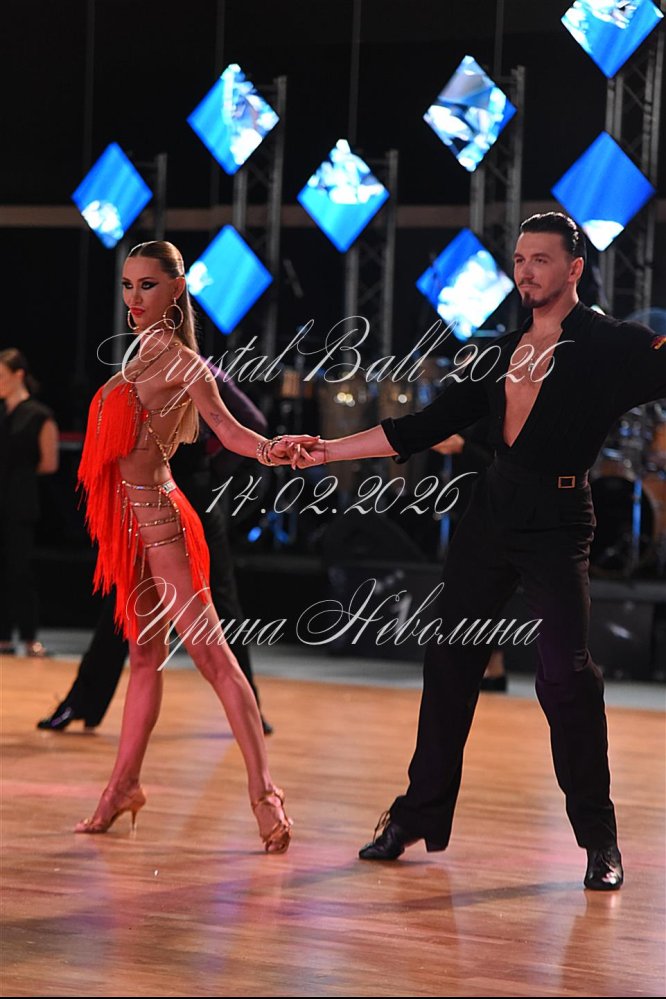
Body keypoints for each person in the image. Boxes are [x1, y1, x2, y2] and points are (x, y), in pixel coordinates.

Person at [292, 213, 666, 889]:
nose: (526, 271)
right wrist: (324, 451)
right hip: (492, 514)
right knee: (450, 663)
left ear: (574, 268)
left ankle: (600, 842)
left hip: (558, 521)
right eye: (519, 259)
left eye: (541, 260)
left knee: (566, 678)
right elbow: (419, 427)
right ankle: (415, 815)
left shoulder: (611, 343)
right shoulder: (498, 349)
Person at [73, 239, 314, 852]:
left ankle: (265, 794)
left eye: (147, 285)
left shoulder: (185, 365)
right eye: (127, 285)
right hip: (128, 527)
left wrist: (273, 449)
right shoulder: (140, 352)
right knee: (143, 658)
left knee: (213, 659)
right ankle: (121, 787)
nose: (133, 298)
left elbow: (231, 431)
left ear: (177, 290)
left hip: (162, 525)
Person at [37, 361, 275, 735]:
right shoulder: (146, 369)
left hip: (186, 497)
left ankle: (249, 709)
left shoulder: (193, 369)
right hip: (153, 496)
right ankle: (81, 702)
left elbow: (253, 422)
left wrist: (212, 472)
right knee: (128, 605)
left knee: (217, 602)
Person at [0, 348, 59, 658]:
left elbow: (49, 462)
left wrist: (19, 474)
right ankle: (3, 637)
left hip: (20, 501)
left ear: (18, 375)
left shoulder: (38, 415)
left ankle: (28, 636)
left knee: (19, 570)